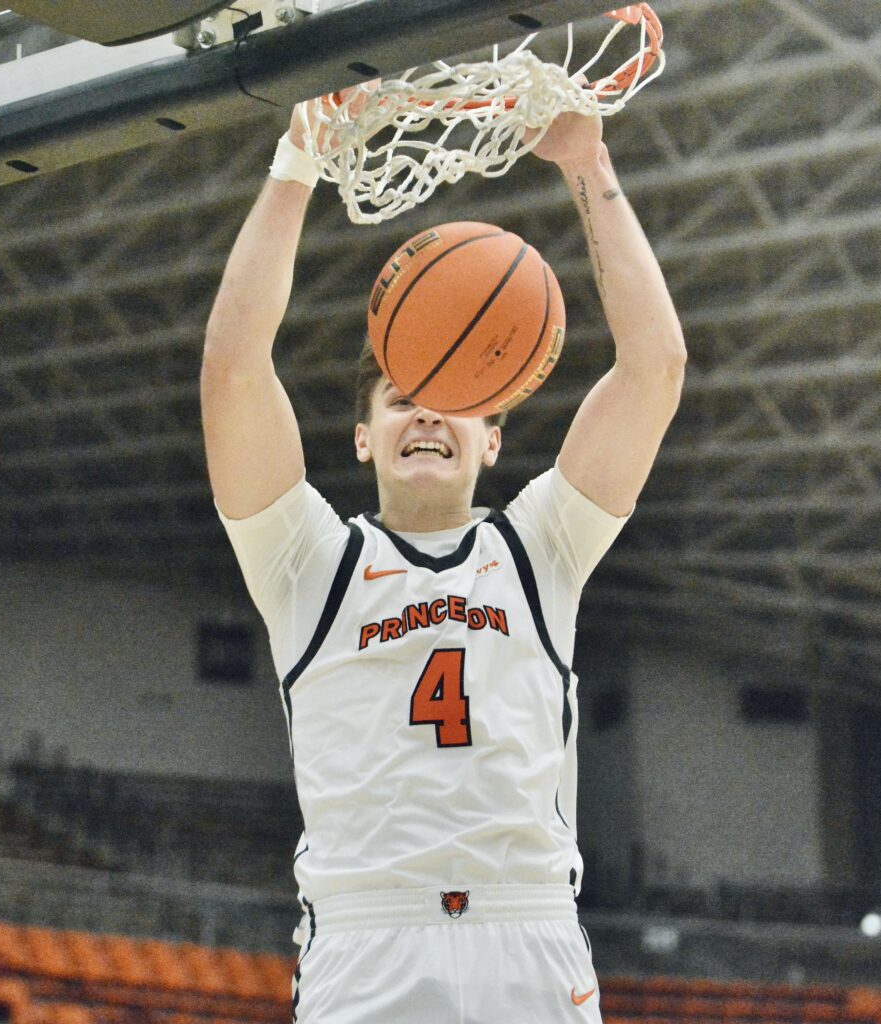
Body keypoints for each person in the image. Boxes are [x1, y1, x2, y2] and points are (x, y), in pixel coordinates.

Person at [201, 86, 686, 1024]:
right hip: (366, 941)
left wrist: (589, 165)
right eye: (399, 395)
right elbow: (233, 370)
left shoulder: (542, 545)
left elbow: (653, 368)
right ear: (361, 438)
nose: (426, 411)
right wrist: (296, 167)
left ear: (495, 436)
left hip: (530, 932)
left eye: (453, 395)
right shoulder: (305, 561)